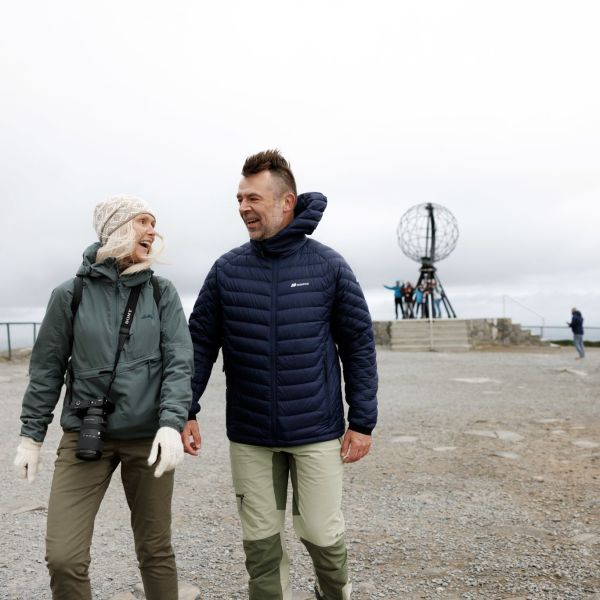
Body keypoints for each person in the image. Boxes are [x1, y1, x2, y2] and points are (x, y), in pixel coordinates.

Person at [184, 150, 378, 600]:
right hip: (251, 435)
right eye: (238, 198)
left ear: (286, 201)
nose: (243, 208)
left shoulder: (328, 266)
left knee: (321, 534)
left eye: (253, 197)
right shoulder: (227, 270)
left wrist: (362, 421)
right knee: (261, 543)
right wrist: (184, 409)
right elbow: (199, 344)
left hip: (315, 431)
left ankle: (335, 593)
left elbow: (358, 346)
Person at [13, 196, 193, 600]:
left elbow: (180, 362)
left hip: (149, 436)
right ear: (117, 229)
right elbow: (47, 369)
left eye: (154, 223)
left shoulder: (161, 293)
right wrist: (32, 436)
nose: (153, 232)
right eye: (143, 222)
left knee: (155, 548)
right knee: (63, 556)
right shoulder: (70, 294)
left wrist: (171, 422)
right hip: (85, 433)